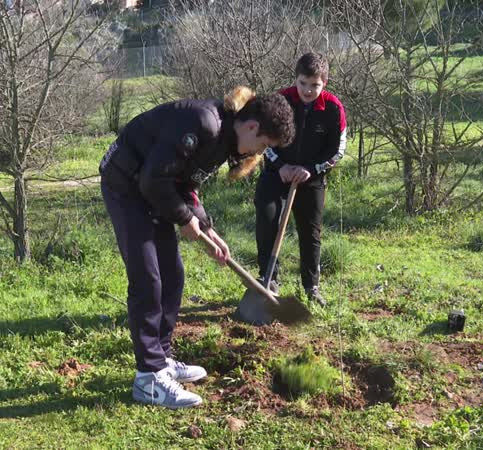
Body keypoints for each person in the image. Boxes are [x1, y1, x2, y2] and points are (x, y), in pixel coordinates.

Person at [99, 86, 295, 409]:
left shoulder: (224, 142)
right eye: (261, 145)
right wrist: (184, 218)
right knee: (148, 277)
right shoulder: (205, 124)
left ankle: (161, 357)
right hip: (126, 183)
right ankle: (148, 378)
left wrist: (206, 226)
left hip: (151, 186)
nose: (256, 153)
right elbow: (153, 180)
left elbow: (185, 182)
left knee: (173, 275)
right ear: (252, 127)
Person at [254, 52, 347, 307]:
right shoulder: (280, 101)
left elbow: (338, 150)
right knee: (267, 217)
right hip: (277, 173)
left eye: (315, 85)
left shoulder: (333, 108)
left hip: (312, 178)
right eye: (303, 83)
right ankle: (269, 279)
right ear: (296, 79)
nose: (308, 90)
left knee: (311, 232)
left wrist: (311, 170)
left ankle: (311, 287)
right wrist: (281, 166)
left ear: (324, 83)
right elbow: (262, 139)